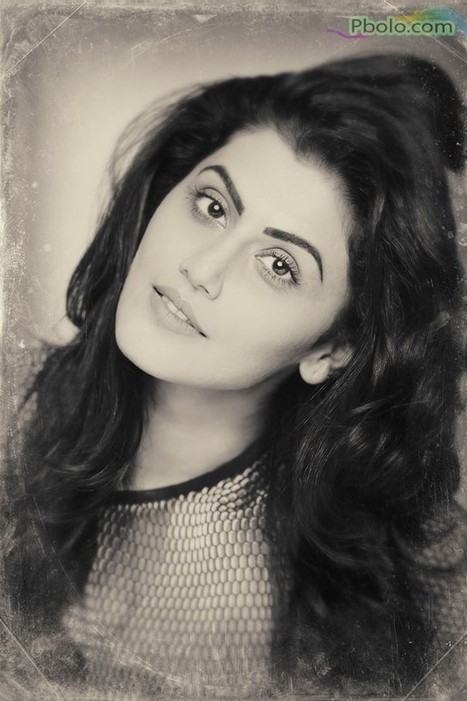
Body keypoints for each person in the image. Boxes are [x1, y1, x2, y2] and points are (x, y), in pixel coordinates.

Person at [2, 51, 467, 699]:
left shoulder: (334, 604)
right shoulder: (15, 395)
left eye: (279, 265)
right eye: (213, 205)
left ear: (333, 349)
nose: (202, 268)